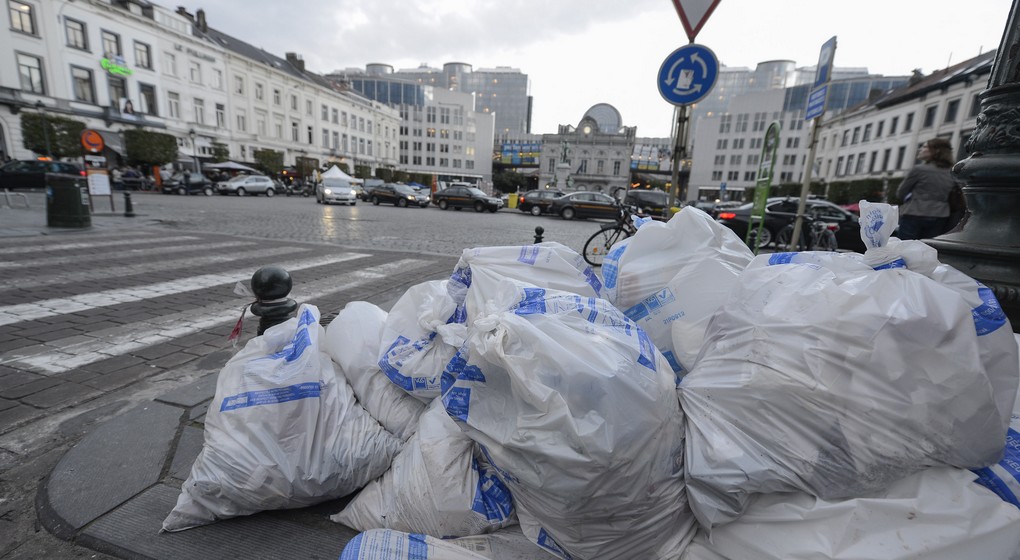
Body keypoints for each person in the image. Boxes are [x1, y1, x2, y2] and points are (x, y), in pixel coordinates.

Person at [896, 138, 955, 240]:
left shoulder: (919, 170)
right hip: (940, 215)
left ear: (936, 151)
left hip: (914, 213)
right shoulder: (952, 172)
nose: (920, 149)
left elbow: (901, 193)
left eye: (924, 147)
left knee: (905, 248)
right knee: (927, 250)